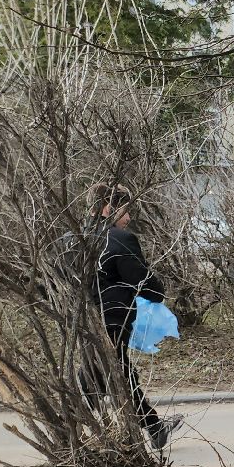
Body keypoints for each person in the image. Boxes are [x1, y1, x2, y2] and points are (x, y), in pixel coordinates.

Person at [92, 183, 180, 450]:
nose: (128, 217)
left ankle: (154, 427)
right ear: (107, 208)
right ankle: (72, 423)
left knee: (115, 371)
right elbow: (143, 282)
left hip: (84, 321)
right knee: (106, 374)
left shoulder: (72, 239)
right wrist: (156, 292)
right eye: (125, 210)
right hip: (112, 318)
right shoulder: (118, 239)